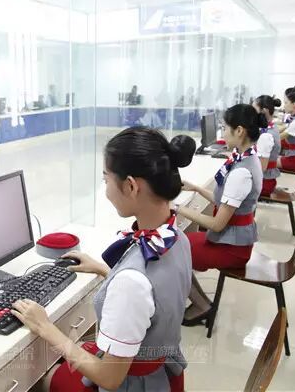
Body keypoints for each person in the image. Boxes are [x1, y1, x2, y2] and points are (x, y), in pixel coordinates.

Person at [11, 126, 196, 392]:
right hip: (165, 376)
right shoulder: (176, 237)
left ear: (131, 186)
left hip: (133, 385)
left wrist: (44, 326)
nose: (106, 190)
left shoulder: (132, 282)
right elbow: (154, 297)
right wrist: (103, 270)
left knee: (42, 375)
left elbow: (109, 378)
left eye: (106, 179)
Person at [177, 104, 263, 324]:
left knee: (173, 250)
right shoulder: (247, 158)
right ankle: (200, 302)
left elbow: (217, 224)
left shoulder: (241, 172)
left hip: (233, 249)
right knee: (178, 243)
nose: (222, 133)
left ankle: (201, 305)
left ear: (239, 131)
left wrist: (178, 209)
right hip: (235, 240)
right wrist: (197, 188)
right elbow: (224, 200)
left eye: (225, 128)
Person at [253, 95, 282, 196]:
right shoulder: (271, 127)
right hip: (266, 180)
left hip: (263, 183)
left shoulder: (266, 136)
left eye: (254, 110)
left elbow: (261, 168)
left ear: (264, 111)